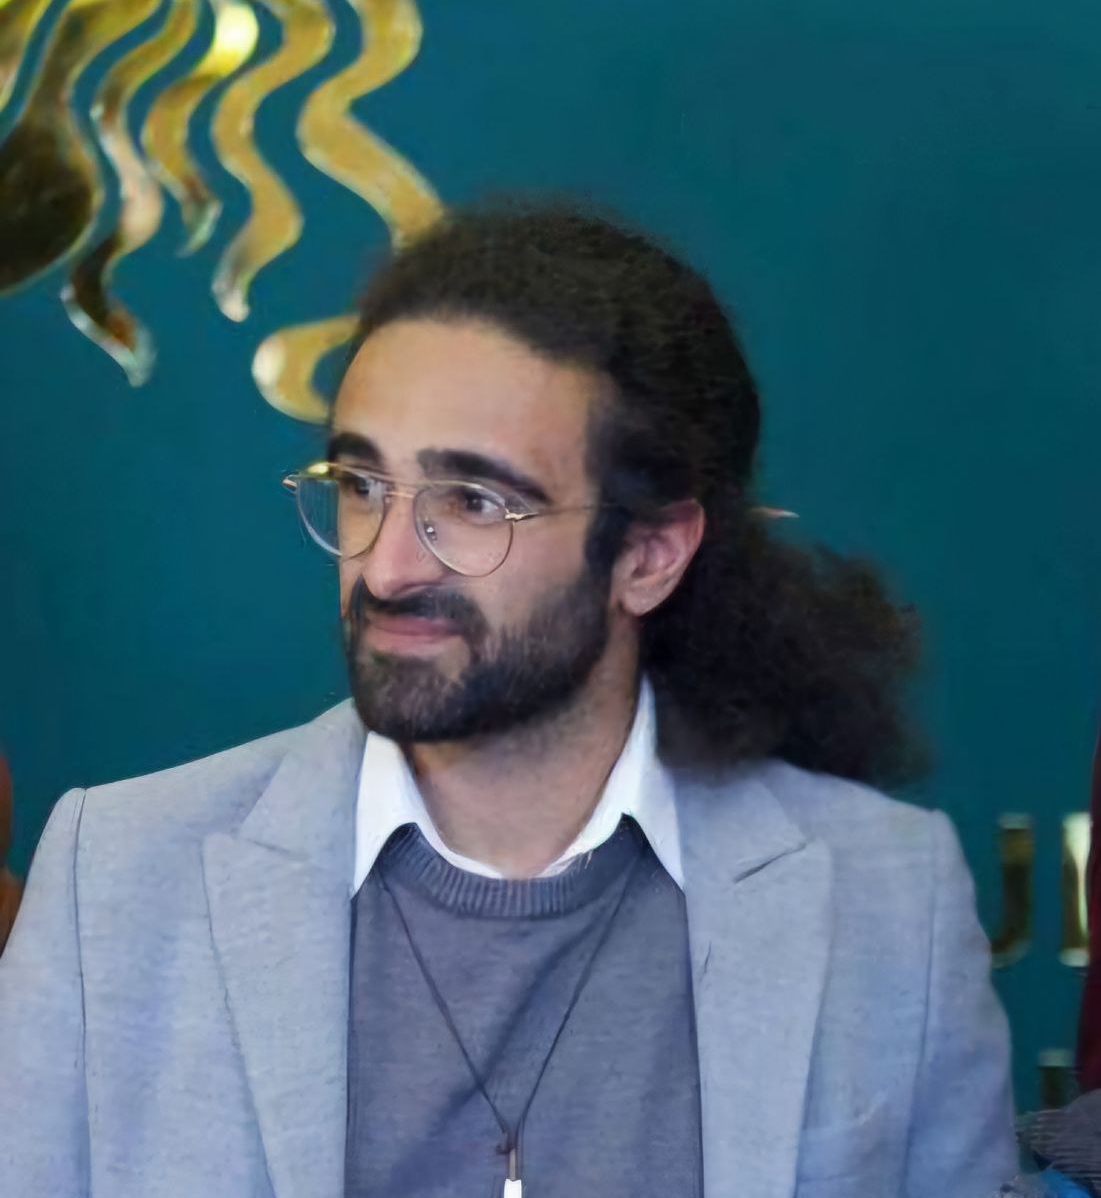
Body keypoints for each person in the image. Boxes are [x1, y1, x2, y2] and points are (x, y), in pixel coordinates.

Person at [0, 201, 1015, 1197]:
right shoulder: (118, 874)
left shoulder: (891, 896)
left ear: (648, 556)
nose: (386, 567)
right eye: (360, 485)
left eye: (474, 502)